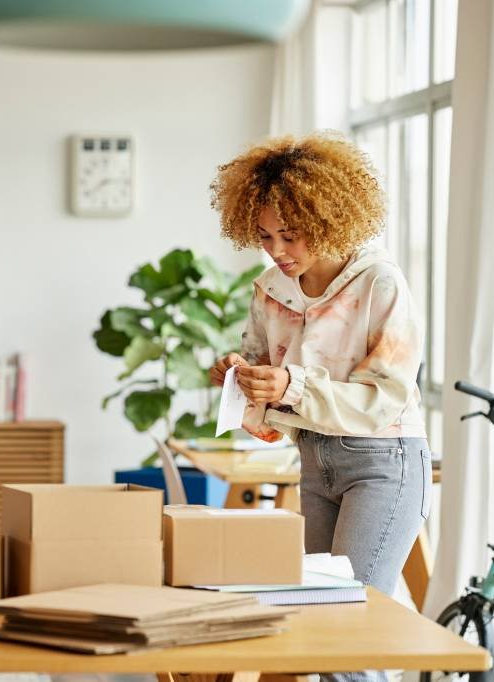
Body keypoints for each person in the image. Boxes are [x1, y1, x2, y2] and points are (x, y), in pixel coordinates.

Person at [209, 131, 431, 682]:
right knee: (317, 626)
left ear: (330, 217)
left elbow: (383, 399)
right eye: (264, 236)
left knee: (348, 636)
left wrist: (288, 387)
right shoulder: (270, 290)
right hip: (315, 460)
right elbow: (266, 390)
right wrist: (240, 378)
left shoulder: (380, 284)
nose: (278, 251)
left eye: (291, 234)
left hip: (384, 462)